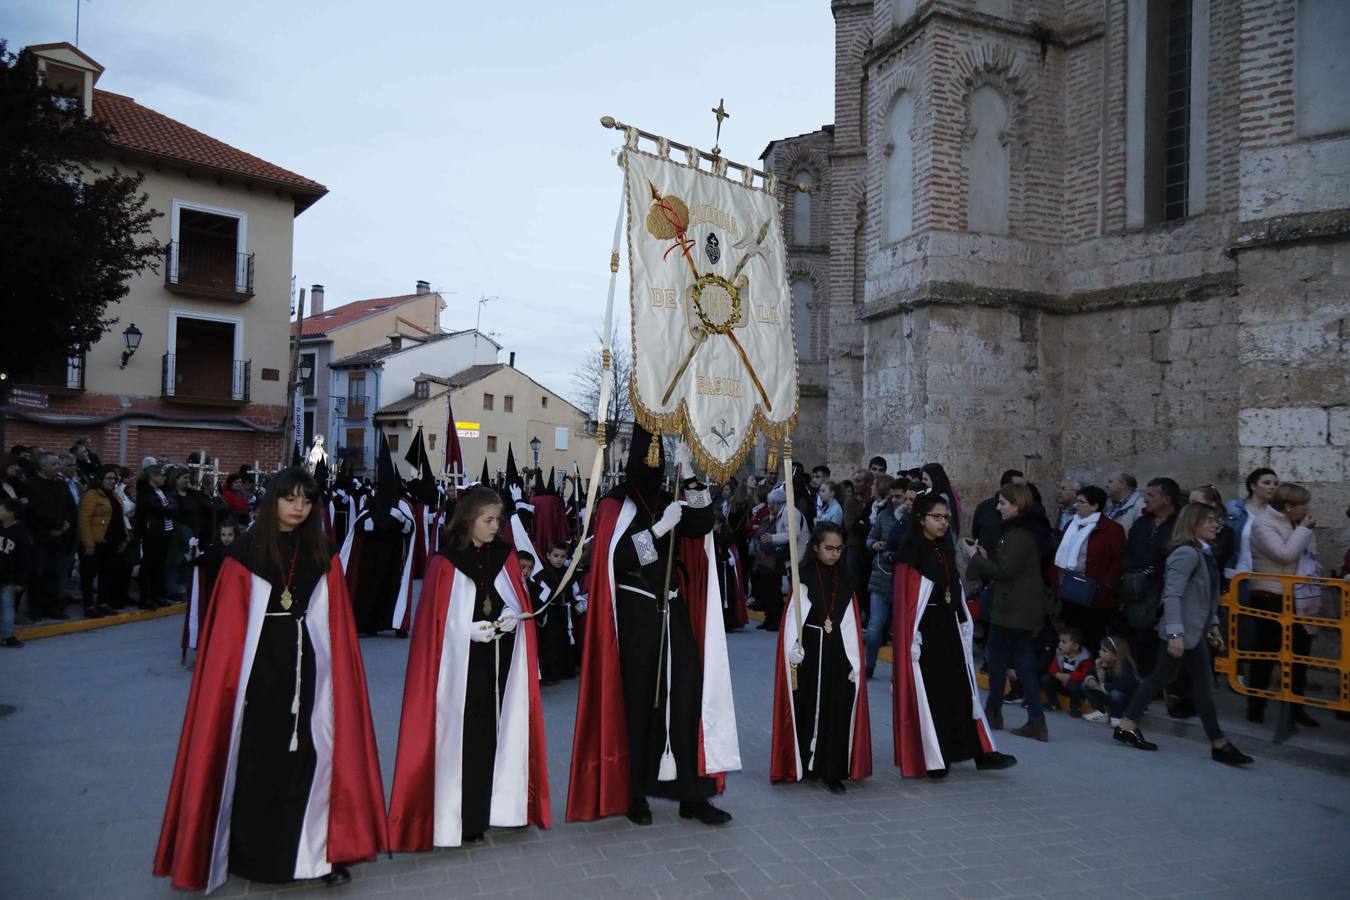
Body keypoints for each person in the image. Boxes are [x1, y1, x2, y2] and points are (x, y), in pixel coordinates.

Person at [154, 468, 388, 892]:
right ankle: (255, 856)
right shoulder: (243, 555)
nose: (299, 508)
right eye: (290, 499)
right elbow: (228, 633)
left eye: (306, 501)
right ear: (273, 501)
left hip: (311, 674)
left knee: (312, 759)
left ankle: (320, 853)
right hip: (257, 677)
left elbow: (335, 622)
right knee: (259, 763)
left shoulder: (323, 553)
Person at [566, 426, 739, 827]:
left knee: (687, 696)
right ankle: (634, 793)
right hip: (635, 614)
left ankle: (692, 794)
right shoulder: (615, 503)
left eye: (660, 459)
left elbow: (702, 523)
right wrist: (658, 530)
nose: (654, 465)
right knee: (637, 701)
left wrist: (691, 476)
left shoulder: (669, 495)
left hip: (672, 609)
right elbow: (615, 559)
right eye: (650, 457)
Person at [388, 485, 549, 850]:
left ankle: (501, 807)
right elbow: (433, 625)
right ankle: (466, 816)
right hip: (461, 671)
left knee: (499, 733)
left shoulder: (505, 556)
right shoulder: (446, 562)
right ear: (469, 520)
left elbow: (515, 598)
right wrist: (464, 630)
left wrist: (511, 616)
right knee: (468, 739)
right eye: (488, 520)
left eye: (498, 520)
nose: (495, 527)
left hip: (499, 665)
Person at [1112, 502, 1254, 766]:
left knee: (1180, 683)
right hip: (1181, 633)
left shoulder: (1202, 552)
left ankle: (1128, 725)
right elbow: (1173, 595)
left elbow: (1204, 596)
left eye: (1216, 520)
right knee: (1183, 684)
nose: (1216, 525)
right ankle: (1218, 743)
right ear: (1193, 523)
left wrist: (1212, 625)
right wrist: (1176, 634)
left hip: (1192, 632)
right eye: (1209, 520)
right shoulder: (1187, 553)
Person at [892, 492, 1015, 778]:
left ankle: (980, 752)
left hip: (949, 629)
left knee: (962, 691)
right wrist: (912, 637)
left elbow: (953, 589)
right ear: (921, 519)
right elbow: (908, 601)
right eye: (936, 517)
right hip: (925, 634)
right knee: (935, 694)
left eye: (946, 517)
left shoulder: (944, 549)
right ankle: (937, 755)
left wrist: (962, 620)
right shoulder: (910, 553)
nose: (943, 522)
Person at [770, 522, 871, 793]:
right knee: (806, 705)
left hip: (838, 652)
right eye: (829, 548)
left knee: (836, 708)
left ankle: (832, 769)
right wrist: (793, 646)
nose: (835, 553)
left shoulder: (846, 578)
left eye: (839, 549)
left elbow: (850, 620)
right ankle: (804, 763)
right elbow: (793, 618)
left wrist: (854, 659)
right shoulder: (803, 576)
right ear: (815, 547)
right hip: (810, 651)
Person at [965, 483, 1053, 739]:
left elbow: (1005, 571)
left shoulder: (1020, 535)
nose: (999, 507)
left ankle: (998, 713)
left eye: (1003, 503)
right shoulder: (1018, 532)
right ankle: (1026, 718)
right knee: (1014, 660)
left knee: (1001, 658)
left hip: (1013, 609)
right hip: (1016, 608)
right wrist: (984, 557)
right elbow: (1007, 566)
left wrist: (975, 558)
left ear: (1017, 505)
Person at [1248, 482, 1319, 728]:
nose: (1307, 509)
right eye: (1303, 505)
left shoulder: (1298, 525)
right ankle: (1256, 705)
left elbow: (1308, 557)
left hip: (1298, 597)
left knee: (1300, 654)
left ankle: (1295, 706)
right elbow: (1284, 554)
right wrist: (1304, 530)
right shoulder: (1263, 524)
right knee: (1266, 653)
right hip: (1270, 596)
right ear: (1288, 506)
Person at [340, 437, 417, 637]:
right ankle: (367, 624)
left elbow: (410, 528)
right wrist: (368, 525)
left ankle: (397, 624)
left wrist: (401, 520)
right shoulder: (371, 503)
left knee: (393, 588)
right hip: (371, 555)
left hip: (393, 555)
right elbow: (359, 524)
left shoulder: (402, 505)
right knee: (369, 588)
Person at [1051, 485, 1125, 651]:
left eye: (1081, 502)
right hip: (1070, 589)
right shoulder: (1071, 524)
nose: (1076, 505)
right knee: (1070, 634)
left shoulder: (1111, 529)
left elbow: (1118, 560)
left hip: (1094, 593)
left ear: (1095, 506)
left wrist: (1105, 585)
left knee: (1091, 635)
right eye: (1076, 501)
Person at [1120, 478, 1181, 676]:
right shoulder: (1142, 523)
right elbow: (1129, 551)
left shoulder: (1180, 525)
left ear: (1166, 499)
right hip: (1138, 592)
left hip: (1165, 591)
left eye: (1151, 495)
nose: (1145, 499)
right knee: (1136, 638)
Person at [27, 451, 80, 619]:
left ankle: (54, 607)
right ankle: (36, 609)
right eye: (54, 464)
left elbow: (70, 507)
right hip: (41, 537)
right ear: (42, 466)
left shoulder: (61, 484)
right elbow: (34, 510)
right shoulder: (31, 484)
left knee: (55, 574)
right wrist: (55, 525)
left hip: (61, 537)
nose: (58, 467)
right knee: (39, 574)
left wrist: (65, 525)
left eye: (58, 463)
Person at [863, 479, 907, 677]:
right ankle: (869, 665)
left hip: (903, 581)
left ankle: (900, 673)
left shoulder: (913, 520)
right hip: (881, 577)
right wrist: (875, 545)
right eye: (893, 496)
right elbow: (869, 538)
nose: (895, 500)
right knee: (874, 629)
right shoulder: (883, 515)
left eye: (899, 497)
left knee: (901, 632)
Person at [181, 517, 238, 662]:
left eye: (230, 535)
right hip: (217, 592)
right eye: (223, 534)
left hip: (234, 592)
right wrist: (193, 549)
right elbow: (198, 561)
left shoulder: (240, 551)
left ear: (235, 535)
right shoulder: (214, 550)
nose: (226, 538)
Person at [756, 483, 809, 632]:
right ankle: (773, 619)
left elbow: (793, 533)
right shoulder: (782, 512)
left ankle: (781, 621)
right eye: (769, 503)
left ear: (780, 503)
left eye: (772, 504)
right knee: (772, 588)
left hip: (797, 556)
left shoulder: (789, 512)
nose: (770, 507)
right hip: (788, 556)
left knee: (789, 589)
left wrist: (772, 538)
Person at [77, 465, 129, 617]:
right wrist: (88, 543)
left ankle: (103, 603)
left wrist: (124, 537)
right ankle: (89, 606)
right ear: (100, 479)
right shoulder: (92, 495)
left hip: (112, 540)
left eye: (114, 479)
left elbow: (120, 518)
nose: (112, 481)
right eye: (109, 478)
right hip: (95, 541)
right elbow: (84, 520)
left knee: (107, 574)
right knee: (89, 575)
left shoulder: (114, 495)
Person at [534, 540, 579, 684]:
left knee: (566, 639)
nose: (559, 559)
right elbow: (541, 597)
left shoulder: (569, 572)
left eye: (563, 556)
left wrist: (577, 603)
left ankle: (566, 670)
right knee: (551, 642)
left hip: (566, 611)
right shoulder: (544, 575)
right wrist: (541, 615)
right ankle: (550, 674)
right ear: (548, 556)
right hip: (551, 612)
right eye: (556, 556)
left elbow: (574, 591)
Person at [135, 465, 174, 610]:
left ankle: (158, 595)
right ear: (153, 477)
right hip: (152, 532)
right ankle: (146, 597)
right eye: (161, 475)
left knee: (160, 565)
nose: (164, 477)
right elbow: (160, 509)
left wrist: (170, 509)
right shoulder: (145, 493)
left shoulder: (162, 491)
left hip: (165, 531)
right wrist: (169, 510)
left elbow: (173, 505)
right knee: (149, 565)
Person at [1082, 635, 1138, 725]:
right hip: (1107, 693)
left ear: (1115, 655)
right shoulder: (1101, 663)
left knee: (1116, 694)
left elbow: (1125, 685)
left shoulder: (1125, 667)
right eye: (1101, 649)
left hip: (1125, 700)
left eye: (1104, 651)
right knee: (1085, 685)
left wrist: (1103, 686)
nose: (1100, 652)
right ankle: (1101, 712)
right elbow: (1091, 672)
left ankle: (1117, 716)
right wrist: (1091, 679)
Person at [0, 497, 32, 647]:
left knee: (7, 605)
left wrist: (21, 581)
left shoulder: (21, 532)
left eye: (1, 509)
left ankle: (8, 636)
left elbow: (24, 559)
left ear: (10, 513)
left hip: (8, 577)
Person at [1041, 626, 1094, 716]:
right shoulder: (1060, 653)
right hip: (1061, 682)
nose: (1060, 644)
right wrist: (1058, 674)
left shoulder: (1085, 659)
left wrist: (1070, 676)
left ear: (1075, 646)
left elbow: (1086, 674)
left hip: (1074, 687)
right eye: (1060, 641)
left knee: (1074, 686)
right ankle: (1052, 702)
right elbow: (1052, 667)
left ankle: (1075, 707)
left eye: (1064, 642)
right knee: (1046, 679)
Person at [971, 470, 1025, 556]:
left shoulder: (1028, 515)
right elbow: (976, 533)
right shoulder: (985, 508)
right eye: (1018, 488)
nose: (1024, 492)